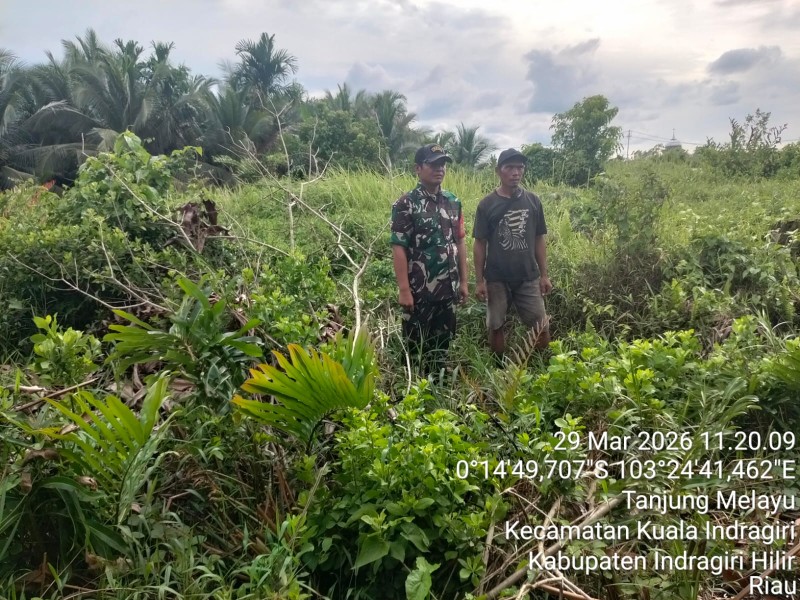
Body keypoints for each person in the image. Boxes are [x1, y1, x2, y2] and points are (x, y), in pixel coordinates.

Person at [390, 143, 469, 373]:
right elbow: (399, 247)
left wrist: (463, 282)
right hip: (419, 293)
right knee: (416, 350)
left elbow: (461, 243)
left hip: (448, 291)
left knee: (441, 349)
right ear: (418, 168)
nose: (440, 168)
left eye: (442, 164)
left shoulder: (453, 202)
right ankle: (415, 393)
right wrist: (404, 289)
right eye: (433, 164)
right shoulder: (406, 204)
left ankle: (438, 391)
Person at [473, 148, 552, 361]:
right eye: (510, 167)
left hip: (528, 276)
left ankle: (540, 369)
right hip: (497, 278)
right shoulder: (486, 204)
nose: (516, 172)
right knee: (496, 325)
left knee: (541, 326)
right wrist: (479, 281)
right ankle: (498, 369)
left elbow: (538, 239)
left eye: (520, 167)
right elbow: (479, 243)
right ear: (498, 171)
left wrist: (544, 275)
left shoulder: (533, 201)